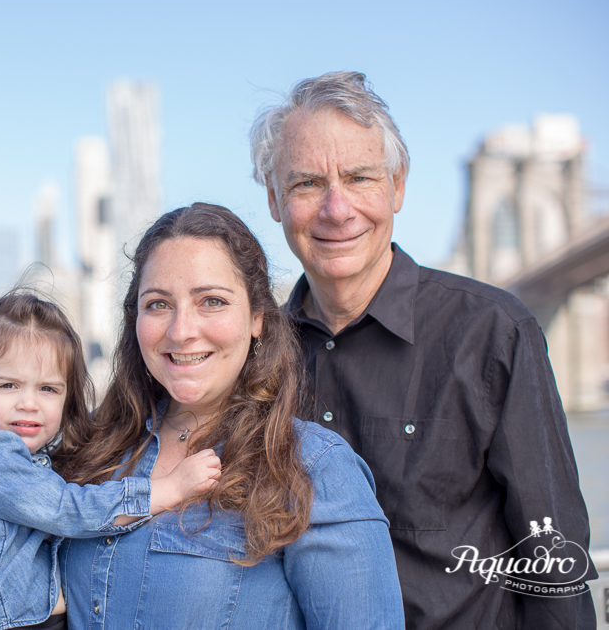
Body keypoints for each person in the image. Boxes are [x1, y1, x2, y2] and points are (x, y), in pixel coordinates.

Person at [250, 71, 596, 628]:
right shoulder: (254, 357)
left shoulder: (493, 333)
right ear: (273, 198)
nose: (337, 210)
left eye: (360, 178)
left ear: (398, 186)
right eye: (307, 184)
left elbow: (552, 557)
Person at [59, 203, 404, 629]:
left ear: (257, 317)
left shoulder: (314, 469)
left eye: (212, 301)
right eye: (158, 304)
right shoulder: (93, 450)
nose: (181, 330)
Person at [0, 292, 221, 630]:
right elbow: (67, 509)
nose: (28, 403)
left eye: (48, 389)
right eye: (8, 385)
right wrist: (166, 489)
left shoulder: (21, 458)